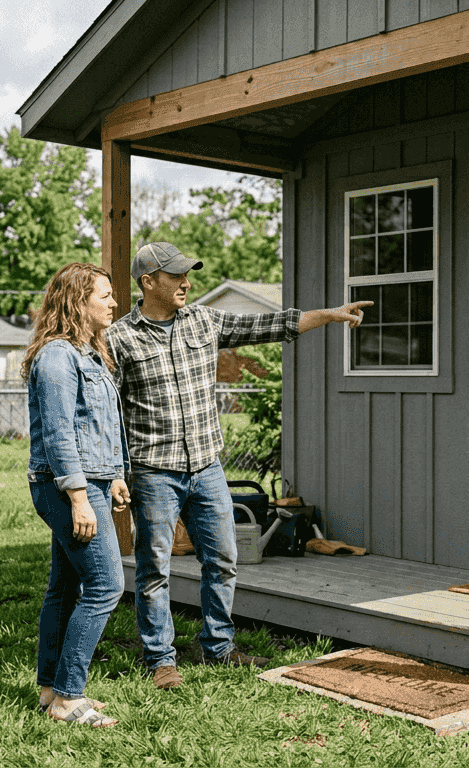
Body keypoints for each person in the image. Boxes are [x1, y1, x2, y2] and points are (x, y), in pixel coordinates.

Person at [108, 241, 371, 689]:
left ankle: (219, 646)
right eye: (175, 276)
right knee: (154, 568)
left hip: (206, 466)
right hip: (154, 471)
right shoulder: (120, 338)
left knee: (223, 559)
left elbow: (267, 325)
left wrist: (328, 315)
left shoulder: (203, 321)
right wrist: (116, 470)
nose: (186, 283)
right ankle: (160, 660)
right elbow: (108, 410)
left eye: (187, 274)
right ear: (148, 282)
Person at [22, 262, 130, 728]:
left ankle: (50, 690)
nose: (114, 303)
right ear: (76, 302)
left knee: (65, 589)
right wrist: (80, 497)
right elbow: (59, 434)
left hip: (91, 480)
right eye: (104, 295)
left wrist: (116, 475)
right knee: (106, 585)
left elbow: (102, 424)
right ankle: (68, 698)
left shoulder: (90, 355)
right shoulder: (56, 358)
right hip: (65, 486)